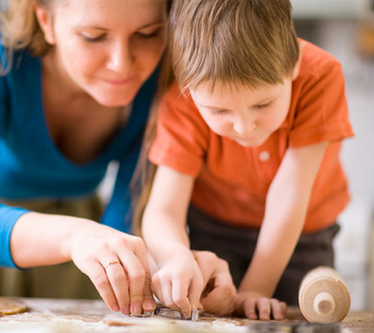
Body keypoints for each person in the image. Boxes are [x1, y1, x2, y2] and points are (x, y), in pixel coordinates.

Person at [0, 0, 236, 318]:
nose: (122, 62)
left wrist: (175, 266)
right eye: (94, 36)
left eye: (147, 33)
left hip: (73, 223)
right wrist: (75, 236)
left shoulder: (168, 65)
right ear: (44, 20)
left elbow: (128, 213)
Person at [135, 0, 354, 320]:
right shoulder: (178, 100)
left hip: (303, 233)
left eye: (262, 104)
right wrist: (175, 256)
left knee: (305, 318)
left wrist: (256, 289)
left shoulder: (321, 76)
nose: (243, 126)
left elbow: (290, 192)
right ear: (188, 89)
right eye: (219, 111)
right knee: (215, 318)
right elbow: (164, 208)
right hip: (214, 229)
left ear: (293, 66)